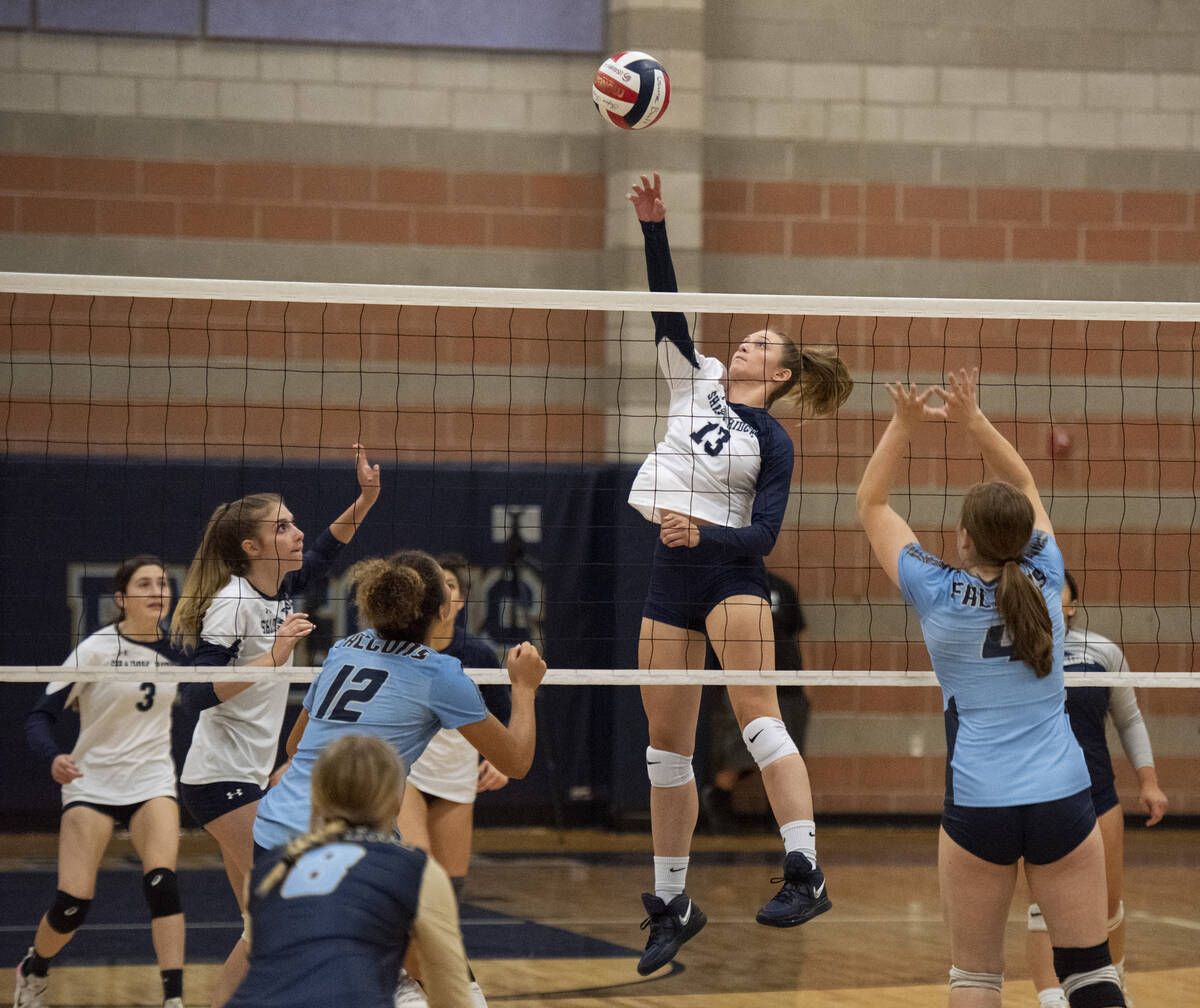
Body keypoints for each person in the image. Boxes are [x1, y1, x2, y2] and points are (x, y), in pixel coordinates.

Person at [625, 172, 852, 975]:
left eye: (759, 344)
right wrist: (655, 227)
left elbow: (763, 536)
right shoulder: (693, 378)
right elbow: (666, 306)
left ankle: (805, 868)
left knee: (758, 717)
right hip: (667, 578)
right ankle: (673, 903)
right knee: (664, 750)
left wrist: (704, 530)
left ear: (782, 373)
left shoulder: (771, 442)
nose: (744, 345)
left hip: (728, 579)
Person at [856, 366, 1126, 1008]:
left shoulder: (934, 590)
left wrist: (904, 424)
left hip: (980, 804)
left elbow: (872, 504)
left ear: (963, 539)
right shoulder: (1047, 574)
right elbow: (1026, 482)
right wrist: (975, 421)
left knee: (976, 977)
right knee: (1089, 971)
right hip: (1063, 797)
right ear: (1025, 537)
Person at [252, 550, 546, 1006]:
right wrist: (524, 689)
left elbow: (294, 748)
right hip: (354, 843)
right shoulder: (440, 673)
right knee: (417, 954)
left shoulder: (344, 648)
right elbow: (517, 763)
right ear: (440, 609)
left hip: (276, 826)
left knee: (264, 954)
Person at [170, 444, 380, 1008]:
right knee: (284, 902)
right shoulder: (230, 604)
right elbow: (193, 694)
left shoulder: (277, 590)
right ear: (251, 547)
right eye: (282, 526)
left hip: (241, 775)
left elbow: (326, 554)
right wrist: (276, 655)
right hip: (219, 780)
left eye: (292, 523)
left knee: (259, 921)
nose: (296, 532)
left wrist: (366, 498)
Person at [16, 556, 187, 1008]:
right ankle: (34, 967)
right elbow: (39, 716)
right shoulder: (95, 649)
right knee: (72, 904)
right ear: (120, 598)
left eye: (163, 584)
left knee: (163, 883)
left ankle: (174, 999)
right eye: (145, 584)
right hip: (92, 783)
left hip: (152, 779)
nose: (158, 591)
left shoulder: (180, 649)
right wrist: (53, 757)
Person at [226, 733, 472, 1008]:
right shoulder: (413, 868)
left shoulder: (271, 867)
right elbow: (451, 993)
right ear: (396, 801)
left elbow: (251, 974)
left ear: (316, 796)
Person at [1026, 571, 1168, 1008]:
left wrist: (1149, 781)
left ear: (1072, 605)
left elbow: (1129, 719)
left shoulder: (1102, 652)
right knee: (1044, 907)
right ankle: (1052, 999)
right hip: (1039, 797)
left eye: (1060, 599)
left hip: (1098, 796)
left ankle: (1115, 985)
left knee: (1106, 905)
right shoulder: (1018, 653)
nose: (1053, 606)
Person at [400, 553, 511, 900]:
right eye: (433, 585)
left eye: (448, 585)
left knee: (448, 890)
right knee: (415, 877)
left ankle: (440, 956)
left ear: (460, 599)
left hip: (455, 778)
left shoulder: (478, 655)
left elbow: (502, 717)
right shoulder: (399, 645)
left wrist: (499, 761)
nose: (440, 592)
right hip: (406, 774)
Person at [701, 571, 810, 832]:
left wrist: (808, 678)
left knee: (786, 754)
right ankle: (716, 804)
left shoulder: (782, 587)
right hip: (745, 682)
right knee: (740, 753)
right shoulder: (727, 585)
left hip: (788, 684)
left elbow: (800, 634)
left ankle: (782, 819)